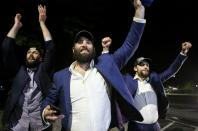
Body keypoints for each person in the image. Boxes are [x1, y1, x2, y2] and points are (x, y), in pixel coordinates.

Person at [41, 0, 146, 130]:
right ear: (73, 50)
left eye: (88, 42)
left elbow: (130, 45)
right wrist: (44, 112)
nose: (84, 44)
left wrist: (139, 10)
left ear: (94, 50)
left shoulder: (106, 66)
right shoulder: (60, 76)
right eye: (80, 42)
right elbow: (48, 100)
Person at [102, 41, 192, 130]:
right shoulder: (127, 81)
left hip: (155, 126)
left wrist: (183, 53)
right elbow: (111, 72)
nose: (145, 67)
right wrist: (105, 51)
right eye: (142, 64)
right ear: (135, 68)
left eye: (147, 65)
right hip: (137, 127)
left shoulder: (154, 81)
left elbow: (171, 71)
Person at [1, 5, 55, 131]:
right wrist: (16, 26)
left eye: (35, 52)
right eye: (29, 52)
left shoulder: (44, 70)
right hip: (17, 125)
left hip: (41, 126)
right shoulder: (18, 71)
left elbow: (51, 49)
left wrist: (42, 23)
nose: (31, 53)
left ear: (40, 58)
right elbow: (6, 48)